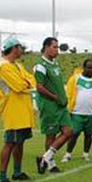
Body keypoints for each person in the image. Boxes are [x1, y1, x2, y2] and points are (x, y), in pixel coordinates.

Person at [0, 37, 35, 182]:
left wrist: (27, 82)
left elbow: (31, 80)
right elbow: (18, 86)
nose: (22, 50)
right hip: (13, 110)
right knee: (10, 142)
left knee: (19, 142)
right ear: (14, 48)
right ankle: (2, 176)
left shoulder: (17, 65)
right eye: (20, 47)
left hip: (22, 109)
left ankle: (17, 172)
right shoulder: (4, 67)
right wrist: (26, 83)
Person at [35, 37, 73, 174]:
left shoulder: (55, 63)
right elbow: (39, 87)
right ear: (46, 47)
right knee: (50, 136)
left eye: (57, 47)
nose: (57, 50)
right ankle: (51, 165)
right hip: (49, 105)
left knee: (68, 132)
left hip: (61, 105)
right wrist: (54, 97)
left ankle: (45, 158)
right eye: (55, 47)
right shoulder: (40, 65)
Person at [61, 59, 92, 162]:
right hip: (76, 113)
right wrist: (66, 110)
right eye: (88, 67)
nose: (90, 70)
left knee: (88, 135)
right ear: (83, 68)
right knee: (74, 134)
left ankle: (85, 154)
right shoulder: (74, 79)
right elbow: (68, 95)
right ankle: (68, 154)